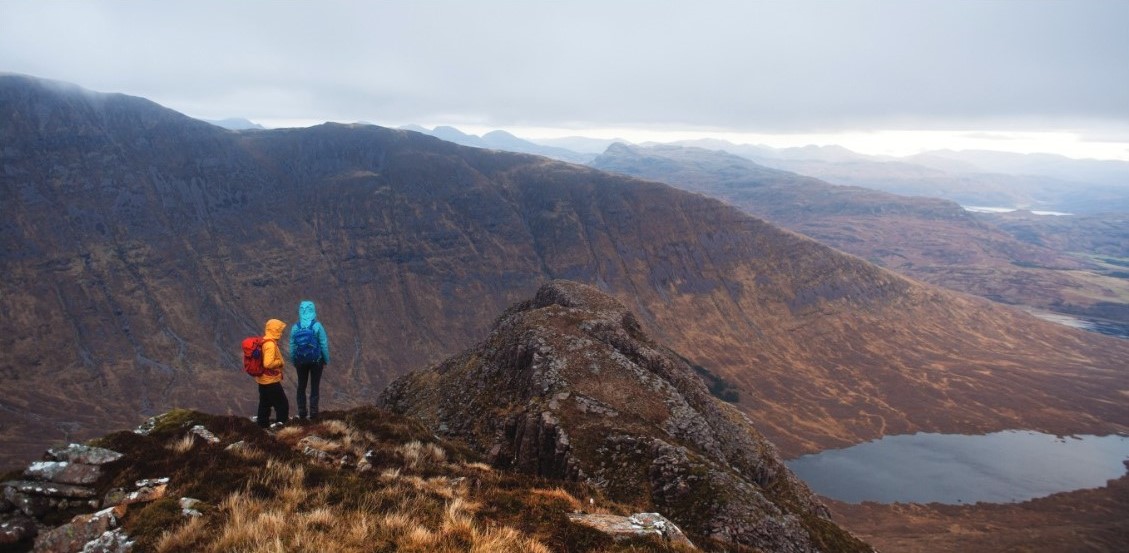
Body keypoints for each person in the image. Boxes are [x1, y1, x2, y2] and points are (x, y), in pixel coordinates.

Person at [289, 300, 330, 420]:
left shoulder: (295, 328)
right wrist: (326, 360)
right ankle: (313, 413)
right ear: (313, 310)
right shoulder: (317, 326)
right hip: (316, 361)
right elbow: (323, 345)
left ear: (300, 311)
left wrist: (294, 361)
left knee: (301, 386)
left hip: (300, 362)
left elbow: (292, 346)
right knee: (314, 386)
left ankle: (302, 412)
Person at [256, 318, 290, 428]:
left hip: (263, 379)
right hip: (270, 380)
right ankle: (281, 425)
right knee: (282, 404)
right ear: (275, 330)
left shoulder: (264, 340)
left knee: (264, 404)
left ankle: (262, 425)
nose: (281, 332)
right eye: (280, 329)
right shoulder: (270, 344)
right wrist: (279, 362)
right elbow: (268, 363)